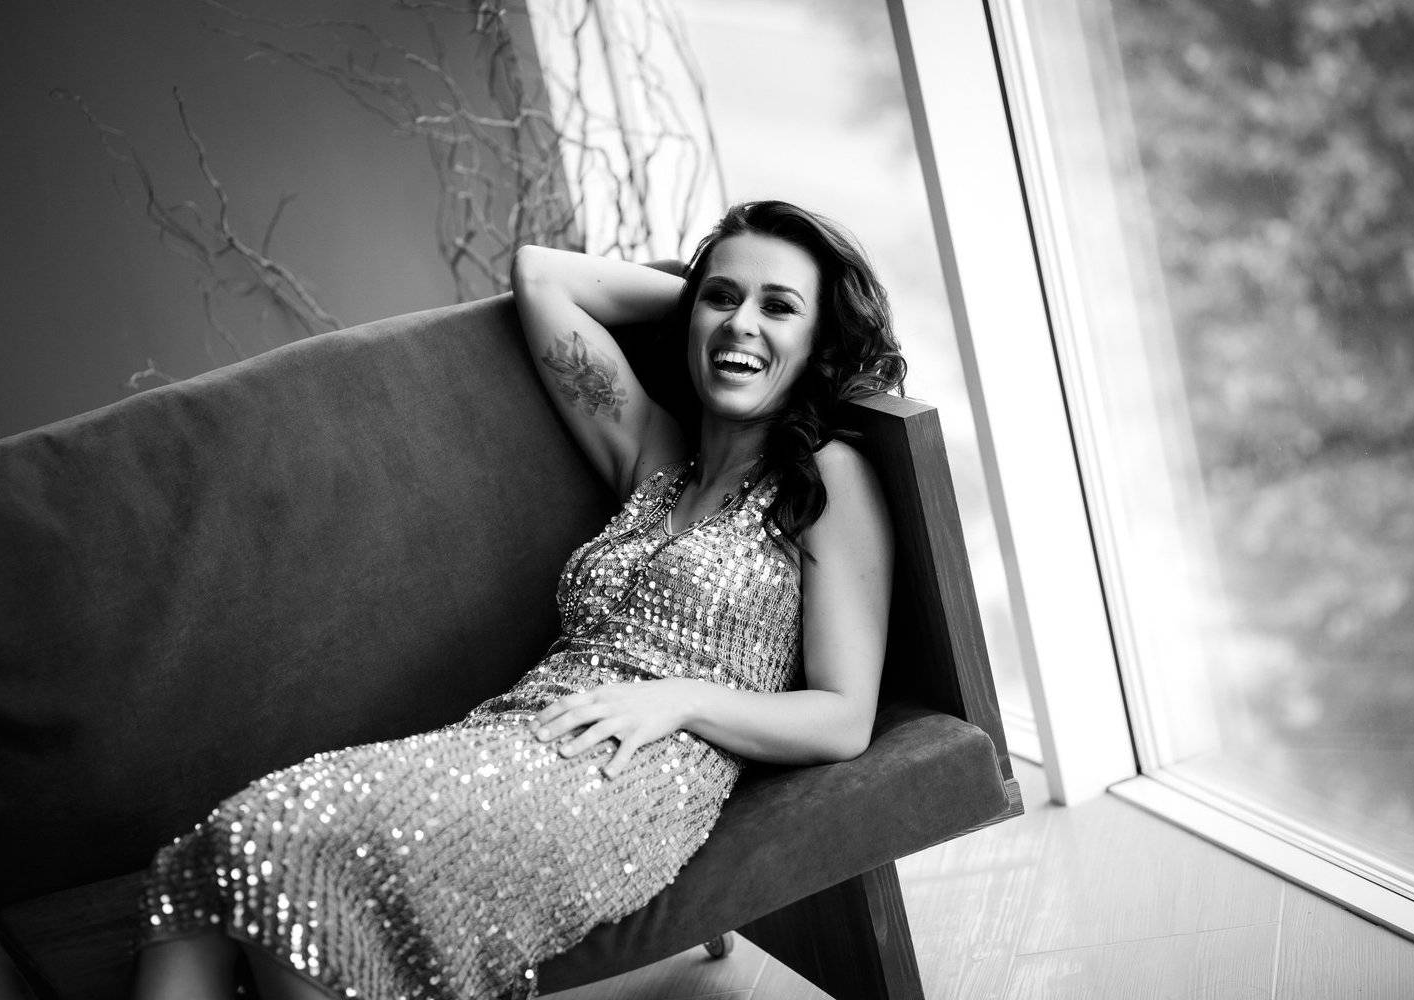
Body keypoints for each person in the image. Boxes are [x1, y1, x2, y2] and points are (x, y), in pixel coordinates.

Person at [131, 199, 906, 1000]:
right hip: (511, 733)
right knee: (231, 840)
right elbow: (541, 275)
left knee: (291, 858)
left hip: (629, 776)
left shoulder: (824, 480)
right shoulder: (653, 459)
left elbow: (843, 717)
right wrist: (701, 307)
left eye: (779, 308)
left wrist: (680, 700)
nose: (742, 322)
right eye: (723, 296)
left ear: (820, 342)